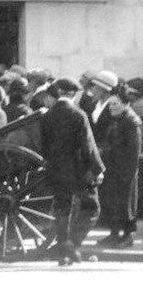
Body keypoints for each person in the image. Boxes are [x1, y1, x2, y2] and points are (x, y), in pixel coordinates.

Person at [39, 77, 104, 266]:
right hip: (78, 171)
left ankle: (63, 252)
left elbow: (44, 146)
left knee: (62, 209)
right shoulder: (78, 114)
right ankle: (71, 245)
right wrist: (98, 168)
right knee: (92, 208)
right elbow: (88, 146)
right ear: (73, 94)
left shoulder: (48, 115)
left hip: (56, 170)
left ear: (59, 93)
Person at [96, 87, 140, 247]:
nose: (111, 107)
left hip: (124, 171)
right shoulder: (118, 119)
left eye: (115, 104)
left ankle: (127, 236)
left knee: (126, 205)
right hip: (113, 169)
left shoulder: (131, 122)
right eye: (110, 104)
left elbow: (133, 152)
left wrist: (126, 174)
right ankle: (114, 234)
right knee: (113, 203)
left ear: (125, 104)